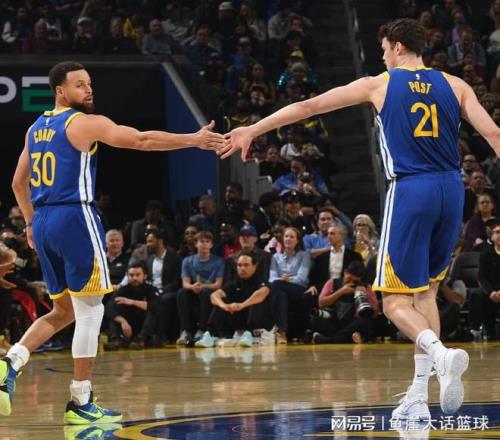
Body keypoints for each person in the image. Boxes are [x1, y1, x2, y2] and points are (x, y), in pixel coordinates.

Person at [221, 18, 500, 420]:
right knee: (426, 293)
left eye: (385, 49)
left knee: (392, 300)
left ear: (399, 47)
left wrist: (254, 128)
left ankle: (441, 356)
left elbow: (309, 106)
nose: (383, 56)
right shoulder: (456, 85)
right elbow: (493, 135)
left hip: (412, 189)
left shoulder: (378, 85)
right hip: (452, 190)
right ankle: (419, 396)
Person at [2, 61, 224, 422]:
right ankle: (81, 401)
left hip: (43, 221)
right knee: (92, 311)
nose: (88, 89)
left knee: (63, 311)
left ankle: (11, 361)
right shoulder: (83, 123)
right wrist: (193, 139)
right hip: (74, 216)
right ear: (60, 90)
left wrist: (29, 222)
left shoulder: (35, 128)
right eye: (79, 84)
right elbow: (140, 140)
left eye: (89, 83)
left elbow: (17, 183)